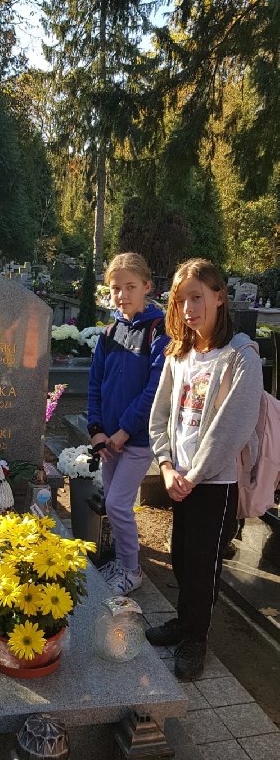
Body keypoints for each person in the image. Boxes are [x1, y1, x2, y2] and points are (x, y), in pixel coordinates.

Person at [148, 258, 263, 680]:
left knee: (202, 565)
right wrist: (165, 465)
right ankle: (184, 622)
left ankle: (196, 638)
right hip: (178, 477)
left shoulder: (240, 357)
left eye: (196, 298)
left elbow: (232, 428)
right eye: (181, 301)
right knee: (181, 557)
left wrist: (193, 476)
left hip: (213, 482)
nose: (188, 309)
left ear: (219, 297)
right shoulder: (179, 353)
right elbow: (160, 415)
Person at [87, 252, 169, 594]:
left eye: (130, 287)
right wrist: (97, 430)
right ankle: (121, 562)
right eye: (115, 288)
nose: (122, 295)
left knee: (118, 503)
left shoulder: (159, 330)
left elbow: (155, 389)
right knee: (112, 501)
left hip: (136, 439)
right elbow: (95, 383)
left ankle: (132, 571)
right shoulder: (109, 333)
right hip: (109, 440)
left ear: (147, 286)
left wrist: (124, 429)